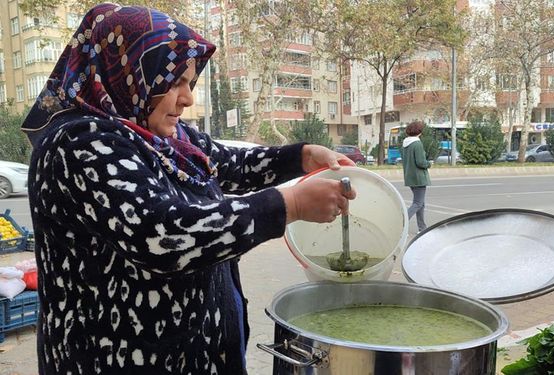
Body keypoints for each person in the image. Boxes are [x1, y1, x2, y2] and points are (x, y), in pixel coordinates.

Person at [20, 4, 355, 374]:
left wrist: (303, 157)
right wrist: (287, 204)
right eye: (174, 81)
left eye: (189, 82)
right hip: (115, 358)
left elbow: (227, 164)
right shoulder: (79, 144)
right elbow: (159, 233)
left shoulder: (158, 135)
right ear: (131, 72)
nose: (188, 97)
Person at [401, 121, 431, 233]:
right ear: (419, 131)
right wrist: (428, 163)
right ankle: (402, 223)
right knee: (418, 203)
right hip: (419, 178)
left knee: (421, 203)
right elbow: (420, 162)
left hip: (410, 177)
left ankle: (422, 228)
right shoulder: (417, 144)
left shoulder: (405, 144)